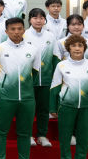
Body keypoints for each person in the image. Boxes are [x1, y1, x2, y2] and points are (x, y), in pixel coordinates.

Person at [0, 18, 41, 159]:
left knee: (25, 132)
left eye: (19, 28)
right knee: (1, 131)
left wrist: (25, 90)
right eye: (12, 29)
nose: (16, 32)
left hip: (27, 98)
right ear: (6, 31)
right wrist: (2, 91)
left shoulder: (33, 50)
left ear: (24, 30)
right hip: (5, 98)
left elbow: (35, 73)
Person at [26, 8, 61, 147]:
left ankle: (42, 135)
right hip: (28, 81)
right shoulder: (24, 35)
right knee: (29, 110)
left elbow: (56, 57)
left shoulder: (50, 36)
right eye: (35, 17)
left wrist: (56, 77)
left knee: (44, 110)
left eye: (41, 18)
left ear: (45, 20)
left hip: (46, 80)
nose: (38, 20)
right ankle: (28, 135)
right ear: (30, 19)